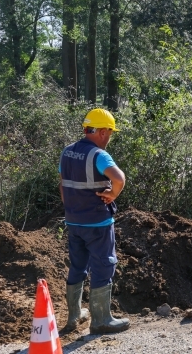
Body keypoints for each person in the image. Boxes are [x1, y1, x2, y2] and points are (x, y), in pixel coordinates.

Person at [59, 108, 130, 334]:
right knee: (103, 265)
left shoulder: (67, 152)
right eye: (110, 133)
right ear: (101, 132)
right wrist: (113, 194)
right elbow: (119, 179)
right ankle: (101, 320)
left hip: (73, 221)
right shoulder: (99, 155)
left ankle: (74, 316)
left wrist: (72, 208)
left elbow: (63, 184)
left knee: (77, 266)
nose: (109, 138)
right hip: (97, 223)